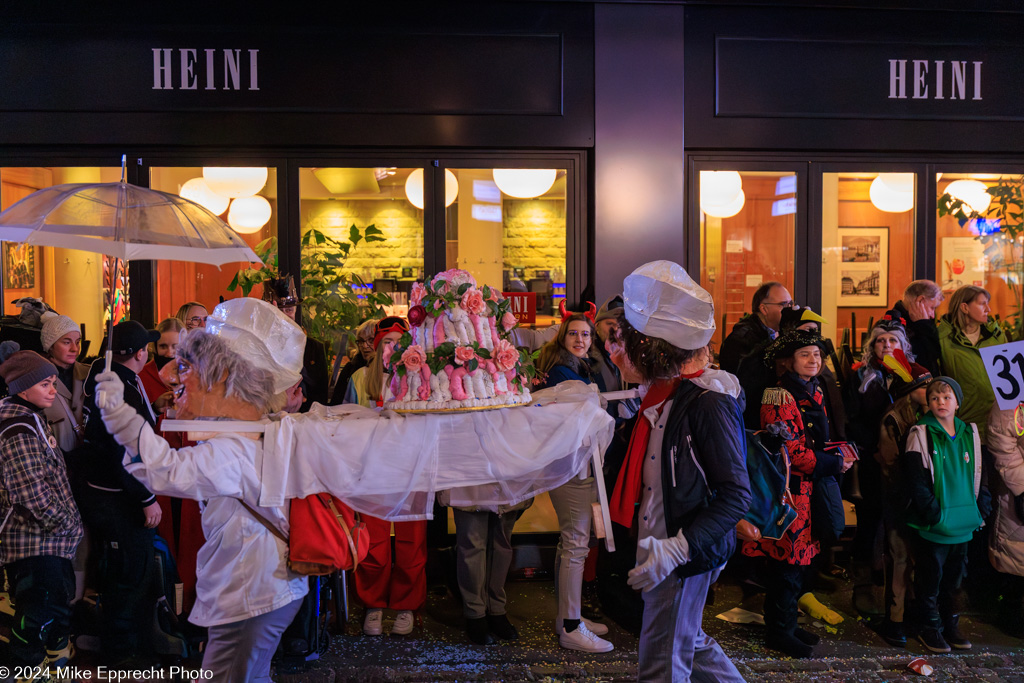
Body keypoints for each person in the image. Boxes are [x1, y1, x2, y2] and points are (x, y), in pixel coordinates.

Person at [90, 298, 309, 679]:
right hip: (262, 589)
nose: (173, 375)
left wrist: (119, 415)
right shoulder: (253, 432)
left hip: (253, 592)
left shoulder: (234, 448)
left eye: (188, 366)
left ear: (223, 382)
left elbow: (166, 471)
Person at [608, 260, 750, 682]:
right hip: (660, 542)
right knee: (686, 640)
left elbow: (735, 495)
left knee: (661, 663)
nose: (620, 351)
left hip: (684, 550)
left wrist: (677, 549)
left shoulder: (708, 400)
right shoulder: (660, 394)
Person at [743, 329, 852, 658]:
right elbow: (790, 453)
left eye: (817, 355)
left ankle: (786, 623)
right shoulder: (777, 396)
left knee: (800, 563)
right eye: (805, 355)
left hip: (810, 487)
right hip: (790, 492)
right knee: (786, 565)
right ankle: (779, 631)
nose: (813, 360)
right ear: (788, 362)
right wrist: (834, 464)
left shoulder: (813, 390)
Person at [76, 320, 163, 664]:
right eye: (148, 348)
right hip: (117, 498)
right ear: (140, 354)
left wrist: (153, 412)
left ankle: (118, 644)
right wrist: (147, 498)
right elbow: (122, 451)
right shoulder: (120, 390)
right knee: (128, 573)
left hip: (106, 493)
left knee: (122, 571)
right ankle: (121, 654)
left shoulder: (109, 379)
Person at [0, 344, 83, 671]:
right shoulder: (19, 428)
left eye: (52, 382)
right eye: (44, 384)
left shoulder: (29, 417)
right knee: (37, 618)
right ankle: (27, 674)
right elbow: (31, 493)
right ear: (22, 388)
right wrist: (66, 524)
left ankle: (50, 669)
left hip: (45, 542)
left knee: (50, 615)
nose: (53, 390)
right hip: (36, 544)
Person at [342, 316, 426, 637]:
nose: (392, 347)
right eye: (386, 342)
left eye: (398, 342)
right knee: (374, 544)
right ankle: (373, 604)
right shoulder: (361, 378)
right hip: (372, 472)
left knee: (411, 542)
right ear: (377, 348)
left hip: (410, 471)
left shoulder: (422, 378)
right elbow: (345, 425)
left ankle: (406, 606)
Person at [536, 313, 613, 652]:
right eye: (574, 334)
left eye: (586, 334)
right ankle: (570, 626)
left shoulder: (580, 368)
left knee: (570, 542)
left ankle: (569, 616)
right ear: (562, 338)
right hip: (572, 468)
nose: (580, 340)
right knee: (576, 543)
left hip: (577, 466)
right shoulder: (563, 373)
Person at [904, 377, 988, 653]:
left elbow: (980, 473)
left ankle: (950, 625)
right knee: (930, 578)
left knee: (954, 580)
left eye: (947, 397)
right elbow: (916, 480)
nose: (941, 402)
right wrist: (933, 513)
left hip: (963, 522)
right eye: (935, 398)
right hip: (936, 523)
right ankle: (930, 627)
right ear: (928, 403)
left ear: (957, 403)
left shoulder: (970, 433)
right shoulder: (920, 433)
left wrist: (981, 507)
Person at [845, 317, 920, 617]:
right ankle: (862, 586)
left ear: (903, 346)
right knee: (869, 521)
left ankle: (901, 588)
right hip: (872, 460)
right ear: (872, 345)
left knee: (902, 525)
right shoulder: (861, 376)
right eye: (881, 341)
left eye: (893, 341)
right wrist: (873, 449)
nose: (887, 345)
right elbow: (852, 419)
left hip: (907, 462)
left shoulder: (914, 375)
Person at [138, 316, 204, 615]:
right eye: (162, 345)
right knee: (166, 535)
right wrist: (157, 407)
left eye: (173, 346)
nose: (167, 351)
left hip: (191, 461)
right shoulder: (146, 375)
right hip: (161, 465)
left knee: (192, 536)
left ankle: (190, 606)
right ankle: (167, 607)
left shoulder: (198, 373)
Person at [875, 363, 932, 647]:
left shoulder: (930, 414)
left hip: (922, 501)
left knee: (917, 559)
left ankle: (912, 613)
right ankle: (894, 620)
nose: (930, 391)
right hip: (901, 501)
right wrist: (910, 494)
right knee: (899, 558)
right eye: (923, 386)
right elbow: (890, 466)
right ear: (909, 392)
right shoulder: (894, 419)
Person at [938, 285, 1007, 443]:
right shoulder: (943, 339)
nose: (988, 309)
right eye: (982, 304)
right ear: (965, 307)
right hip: (963, 425)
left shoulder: (996, 335)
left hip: (999, 425)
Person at [986, 399, 1024, 637]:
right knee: (1017, 555)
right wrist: (1021, 486)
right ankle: (1012, 613)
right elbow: (1002, 441)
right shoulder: (1011, 399)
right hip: (1017, 487)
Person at [264, 276, 329, 410]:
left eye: (288, 310)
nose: (283, 316)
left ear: (295, 310)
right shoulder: (260, 347)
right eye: (277, 311)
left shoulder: (314, 348)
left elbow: (321, 395)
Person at [38, 312, 90, 454]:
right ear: (50, 346)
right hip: (59, 468)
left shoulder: (90, 375)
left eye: (78, 342)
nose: (75, 348)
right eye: (66, 342)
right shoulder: (37, 383)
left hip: (90, 465)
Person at [718, 281, 794, 374]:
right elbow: (749, 380)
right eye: (784, 304)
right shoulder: (742, 339)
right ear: (764, 309)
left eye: (791, 303)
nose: (791, 309)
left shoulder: (783, 332)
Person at [344, 316, 409, 408]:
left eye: (400, 341)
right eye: (387, 342)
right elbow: (348, 413)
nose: (394, 347)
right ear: (378, 347)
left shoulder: (414, 376)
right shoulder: (360, 376)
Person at [889, 280, 945, 375]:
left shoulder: (925, 323)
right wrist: (923, 325)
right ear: (920, 300)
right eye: (932, 307)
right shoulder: (892, 326)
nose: (933, 315)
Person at [329, 317, 379, 406]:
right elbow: (336, 404)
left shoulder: (392, 370)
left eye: (371, 340)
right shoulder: (350, 369)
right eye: (361, 341)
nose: (364, 345)